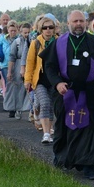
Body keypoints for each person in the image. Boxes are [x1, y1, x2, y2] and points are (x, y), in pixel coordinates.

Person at [43, 10, 94, 181]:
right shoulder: (58, 43)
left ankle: (89, 165)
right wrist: (57, 83)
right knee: (63, 126)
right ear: (68, 23)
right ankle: (61, 159)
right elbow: (49, 67)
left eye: (81, 21)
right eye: (75, 21)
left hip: (89, 91)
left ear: (86, 23)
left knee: (90, 129)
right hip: (65, 91)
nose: (78, 24)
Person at [25, 16, 58, 144]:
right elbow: (30, 63)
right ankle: (46, 133)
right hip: (40, 80)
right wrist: (27, 80)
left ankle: (49, 130)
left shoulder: (58, 42)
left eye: (51, 27)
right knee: (44, 102)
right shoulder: (36, 43)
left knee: (50, 106)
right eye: (45, 28)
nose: (48, 30)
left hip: (54, 80)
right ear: (41, 29)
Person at [0, 20, 18, 117]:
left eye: (15, 30)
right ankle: (11, 107)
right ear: (8, 30)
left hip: (17, 65)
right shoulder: (3, 39)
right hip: (5, 65)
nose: (13, 32)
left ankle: (16, 107)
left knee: (17, 86)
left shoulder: (20, 39)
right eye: (11, 30)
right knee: (9, 86)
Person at [6, 22, 31, 119]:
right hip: (18, 65)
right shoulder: (16, 42)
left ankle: (31, 112)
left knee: (30, 90)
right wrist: (9, 71)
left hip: (30, 65)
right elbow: (12, 57)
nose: (27, 35)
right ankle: (18, 109)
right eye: (25, 33)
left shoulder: (32, 41)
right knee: (19, 89)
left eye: (28, 32)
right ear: (21, 32)